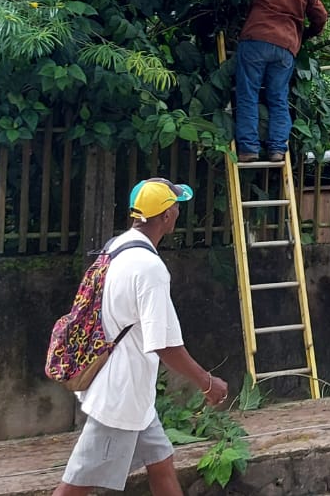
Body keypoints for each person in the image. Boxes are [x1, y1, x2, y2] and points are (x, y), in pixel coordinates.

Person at [54, 178, 230, 496]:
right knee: (76, 487)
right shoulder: (150, 269)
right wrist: (207, 382)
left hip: (132, 393)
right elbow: (163, 343)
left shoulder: (118, 247)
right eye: (175, 206)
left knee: (162, 464)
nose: (178, 210)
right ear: (165, 217)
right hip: (120, 397)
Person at [208, 0, 328, 163]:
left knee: (248, 94)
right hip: (286, 48)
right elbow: (321, 18)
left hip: (257, 39)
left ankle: (248, 149)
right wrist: (301, 36)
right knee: (278, 98)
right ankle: (276, 149)